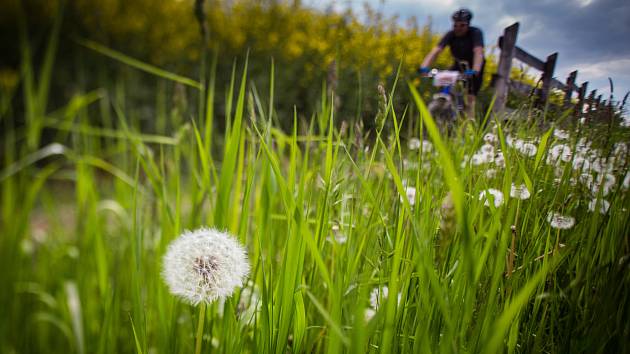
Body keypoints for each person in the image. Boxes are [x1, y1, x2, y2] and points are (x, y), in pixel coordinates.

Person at [419, 8, 485, 117]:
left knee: (470, 97)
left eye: (462, 25)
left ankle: (469, 123)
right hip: (457, 65)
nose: (458, 28)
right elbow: (436, 51)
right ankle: (444, 113)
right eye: (455, 25)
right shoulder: (450, 35)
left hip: (473, 67)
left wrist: (475, 70)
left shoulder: (475, 33)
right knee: (444, 81)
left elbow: (478, 52)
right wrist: (424, 67)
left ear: (468, 25)